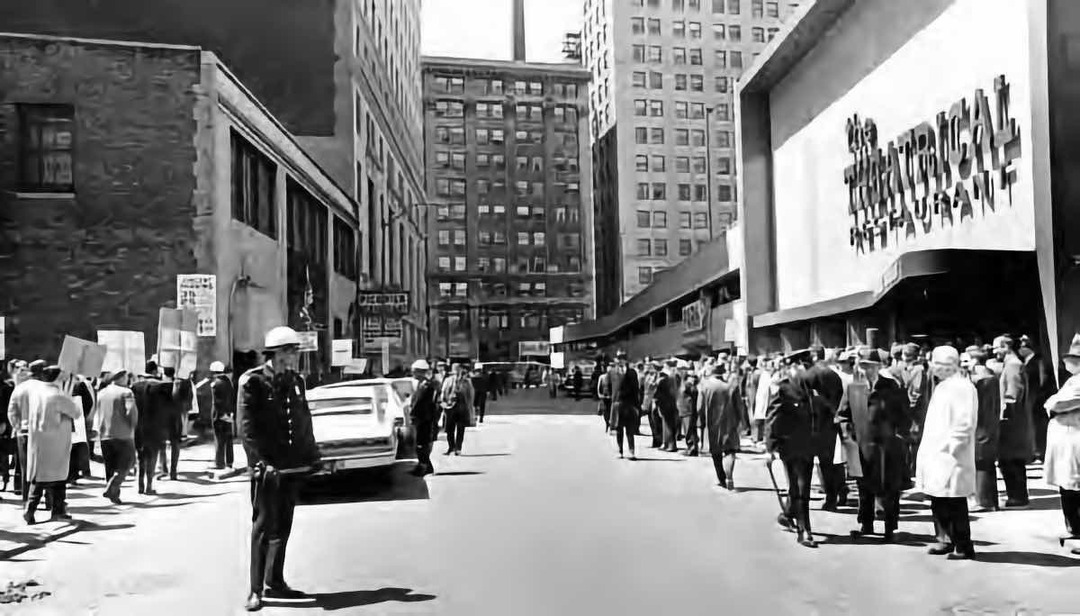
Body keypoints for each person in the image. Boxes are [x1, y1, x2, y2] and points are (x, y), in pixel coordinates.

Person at [237, 326, 320, 612]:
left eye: (294, 351)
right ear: (274, 353)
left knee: (283, 525)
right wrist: (260, 463)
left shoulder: (296, 381)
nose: (292, 357)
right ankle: (255, 589)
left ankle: (275, 579)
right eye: (287, 351)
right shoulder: (253, 382)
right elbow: (247, 428)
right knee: (263, 527)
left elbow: (303, 420)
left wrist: (312, 454)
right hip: (267, 468)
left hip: (290, 465)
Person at [836, 348, 908, 542]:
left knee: (889, 488)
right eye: (863, 366)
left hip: (887, 447)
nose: (866, 370)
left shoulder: (891, 387)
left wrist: (900, 437)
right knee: (864, 487)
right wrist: (847, 437)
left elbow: (904, 414)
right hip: (861, 446)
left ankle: (890, 527)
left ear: (879, 367)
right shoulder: (854, 388)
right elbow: (842, 416)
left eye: (870, 366)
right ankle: (866, 524)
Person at [916, 345, 978, 560]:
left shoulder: (962, 387)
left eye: (935, 363)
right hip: (937, 452)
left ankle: (963, 545)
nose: (932, 367)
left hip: (951, 455)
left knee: (954, 500)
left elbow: (964, 421)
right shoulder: (944, 386)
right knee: (939, 498)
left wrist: (953, 447)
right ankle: (944, 539)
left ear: (946, 365)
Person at [765, 350, 826, 548]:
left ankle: (789, 513)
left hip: (808, 445)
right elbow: (772, 417)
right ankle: (804, 530)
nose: (808, 370)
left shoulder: (811, 387)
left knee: (799, 487)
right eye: (804, 365)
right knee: (801, 487)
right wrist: (770, 448)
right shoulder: (783, 388)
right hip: (790, 445)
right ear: (794, 366)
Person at [24, 366, 81, 524]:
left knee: (38, 478)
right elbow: (76, 412)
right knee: (58, 479)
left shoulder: (37, 393)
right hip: (56, 442)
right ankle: (57, 510)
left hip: (38, 441)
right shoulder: (58, 396)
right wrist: (68, 395)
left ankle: (30, 509)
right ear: (58, 377)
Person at [1042, 334, 1080, 553]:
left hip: (1074, 437)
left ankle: (1077, 528)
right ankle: (1074, 528)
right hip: (1066, 439)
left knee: (1074, 485)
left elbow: (1058, 404)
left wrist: (1053, 404)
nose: (1068, 363)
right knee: (1068, 486)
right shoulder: (1073, 380)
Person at [803, 346, 846, 510]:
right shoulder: (834, 375)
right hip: (829, 424)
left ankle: (803, 499)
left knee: (807, 465)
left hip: (811, 425)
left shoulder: (809, 375)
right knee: (829, 463)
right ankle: (833, 497)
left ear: (813, 356)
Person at [994, 335, 1032, 508]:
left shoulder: (1013, 365)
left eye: (996, 347)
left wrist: (1003, 416)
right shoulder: (1010, 364)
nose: (994, 351)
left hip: (1011, 422)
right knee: (1008, 460)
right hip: (1011, 420)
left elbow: (1013, 394)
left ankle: (1018, 497)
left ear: (1005, 347)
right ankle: (1016, 495)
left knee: (1011, 460)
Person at [94, 370, 138, 504]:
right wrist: (133, 427)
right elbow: (131, 411)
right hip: (123, 434)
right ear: (123, 378)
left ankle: (114, 494)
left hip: (104, 434)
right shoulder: (127, 393)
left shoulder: (101, 393)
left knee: (110, 466)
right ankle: (113, 486)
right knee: (129, 462)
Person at [8, 359, 47, 502]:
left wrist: (18, 427)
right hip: (43, 432)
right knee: (44, 467)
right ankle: (48, 500)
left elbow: (12, 412)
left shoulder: (20, 388)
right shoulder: (46, 388)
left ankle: (27, 499)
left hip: (24, 432)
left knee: (25, 467)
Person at [967, 347, 1001, 512]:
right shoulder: (992, 377)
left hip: (980, 424)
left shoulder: (980, 381)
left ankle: (983, 500)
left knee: (980, 462)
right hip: (990, 423)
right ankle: (990, 500)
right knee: (987, 463)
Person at [701, 362, 741, 489]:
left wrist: (701, 422)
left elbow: (699, 407)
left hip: (713, 423)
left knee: (716, 451)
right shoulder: (731, 386)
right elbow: (739, 406)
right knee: (730, 450)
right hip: (729, 422)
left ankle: (721, 477)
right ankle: (729, 476)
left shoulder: (705, 386)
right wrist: (740, 422)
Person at [131, 362, 169, 495]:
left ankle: (140, 484)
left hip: (138, 425)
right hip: (155, 426)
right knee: (152, 456)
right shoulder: (161, 386)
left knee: (141, 456)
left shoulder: (135, 386)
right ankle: (149, 485)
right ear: (154, 371)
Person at [1019, 335, 1055, 463]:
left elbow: (1042, 379)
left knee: (1037, 426)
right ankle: (1034, 450)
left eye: (1024, 344)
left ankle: (1039, 451)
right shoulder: (1027, 362)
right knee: (1031, 425)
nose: (1021, 347)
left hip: (1036, 399)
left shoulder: (1038, 361)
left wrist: (1040, 397)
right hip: (1029, 398)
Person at [607, 350, 641, 460]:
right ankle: (620, 450)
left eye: (623, 358)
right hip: (617, 404)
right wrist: (612, 402)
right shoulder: (612, 372)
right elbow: (609, 387)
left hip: (629, 404)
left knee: (630, 430)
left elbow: (636, 389)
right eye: (619, 358)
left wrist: (637, 406)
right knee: (619, 429)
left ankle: (631, 451)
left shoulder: (632, 372)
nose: (621, 360)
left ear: (626, 360)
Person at [409, 359, 439, 477]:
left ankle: (424, 466)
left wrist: (412, 414)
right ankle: (426, 466)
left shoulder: (426, 386)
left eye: (414, 371)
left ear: (419, 372)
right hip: (424, 418)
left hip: (423, 418)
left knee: (421, 444)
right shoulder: (424, 384)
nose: (412, 373)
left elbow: (419, 403)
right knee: (421, 443)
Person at [440, 363, 473, 455]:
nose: (457, 372)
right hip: (449, 407)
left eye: (459, 369)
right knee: (449, 429)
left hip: (462, 407)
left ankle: (458, 448)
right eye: (455, 369)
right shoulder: (448, 380)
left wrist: (470, 408)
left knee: (460, 428)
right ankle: (451, 447)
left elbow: (470, 395)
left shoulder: (466, 382)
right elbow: (443, 392)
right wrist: (443, 405)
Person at [209, 361, 236, 470]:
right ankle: (229, 462)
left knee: (219, 439)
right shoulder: (228, 382)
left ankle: (219, 463)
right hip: (228, 414)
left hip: (219, 415)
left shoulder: (216, 384)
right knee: (228, 439)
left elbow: (217, 402)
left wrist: (221, 414)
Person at [653, 359, 680, 452]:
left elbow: (658, 391)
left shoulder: (665, 378)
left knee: (667, 424)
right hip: (672, 402)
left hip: (665, 403)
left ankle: (670, 445)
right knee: (668, 424)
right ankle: (667, 443)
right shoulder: (675, 376)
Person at [676, 360, 700, 456]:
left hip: (688, 409)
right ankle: (691, 447)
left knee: (689, 430)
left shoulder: (689, 381)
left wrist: (689, 383)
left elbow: (694, 391)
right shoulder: (683, 380)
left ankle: (692, 448)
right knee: (689, 429)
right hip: (684, 409)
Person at [597, 363, 612, 432]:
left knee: (611, 411)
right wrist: (600, 394)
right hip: (604, 396)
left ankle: (610, 424)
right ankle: (607, 423)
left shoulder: (613, 378)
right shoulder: (602, 377)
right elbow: (599, 386)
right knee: (605, 411)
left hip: (611, 397)